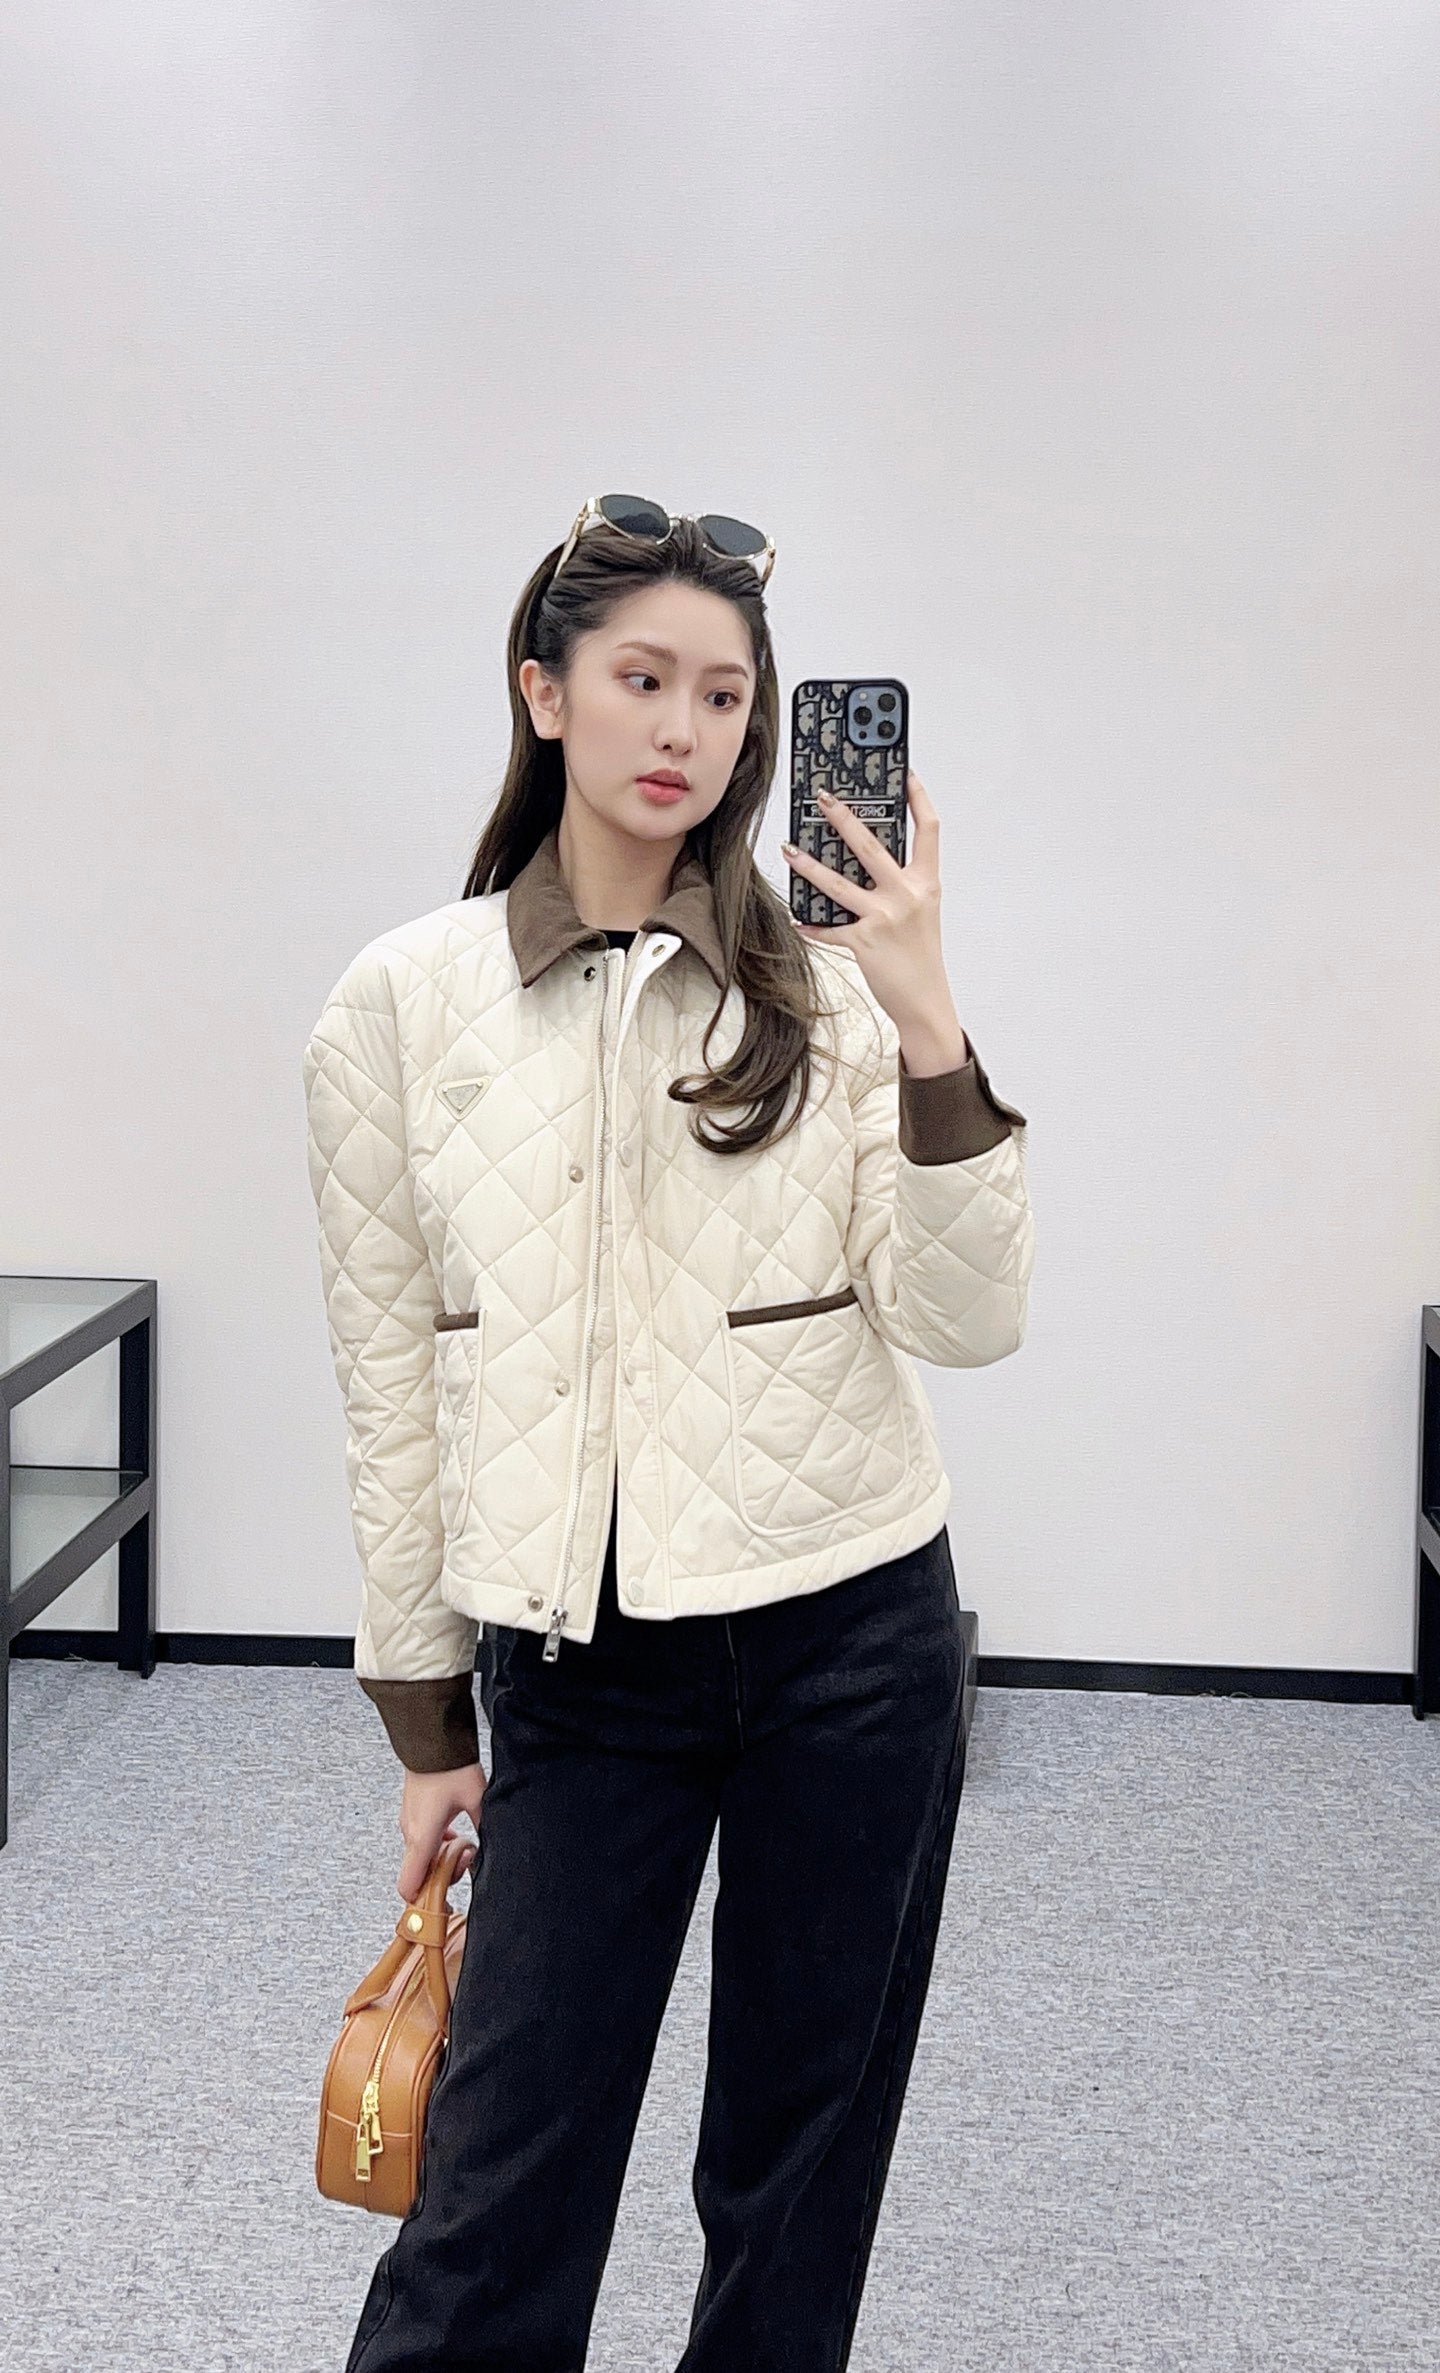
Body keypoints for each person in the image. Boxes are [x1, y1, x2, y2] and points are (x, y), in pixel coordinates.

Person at [302, 493, 1034, 2372]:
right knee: (501, 2180)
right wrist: (426, 1722)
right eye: (642, 678)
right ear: (544, 691)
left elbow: (970, 1321)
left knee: (797, 2166)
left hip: (852, 1636)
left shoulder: (833, 993)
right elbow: (392, 1383)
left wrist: (929, 1017)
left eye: (724, 694)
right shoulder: (405, 1002)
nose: (684, 729)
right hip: (583, 1661)